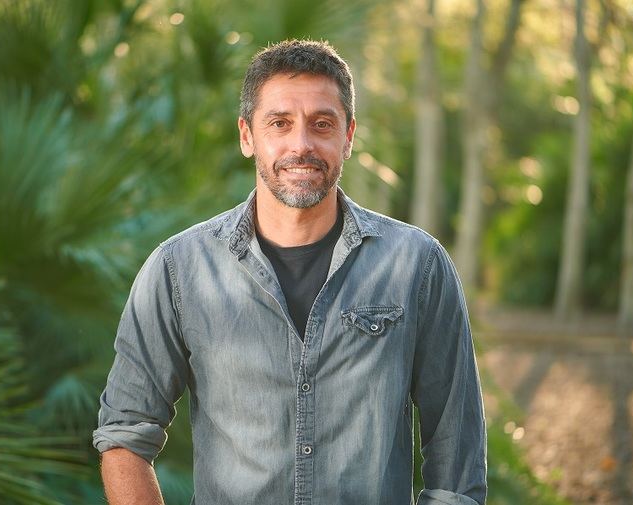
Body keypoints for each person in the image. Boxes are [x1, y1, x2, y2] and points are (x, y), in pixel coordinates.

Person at [93, 39, 487, 505]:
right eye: (279, 123)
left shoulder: (417, 265)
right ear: (247, 136)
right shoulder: (178, 270)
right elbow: (124, 436)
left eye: (322, 124)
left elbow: (456, 460)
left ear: (348, 136)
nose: (301, 145)